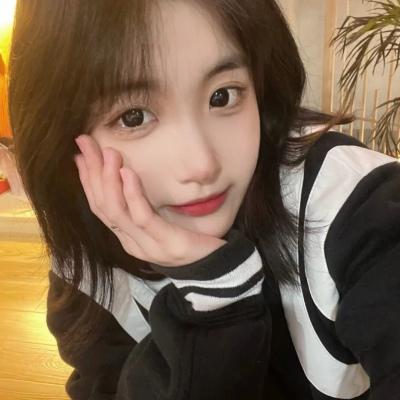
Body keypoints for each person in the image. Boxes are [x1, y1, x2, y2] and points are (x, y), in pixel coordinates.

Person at [7, 1, 400, 399]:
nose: (202, 165)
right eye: (133, 117)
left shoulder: (354, 205)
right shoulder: (87, 267)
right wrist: (214, 301)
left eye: (222, 96)